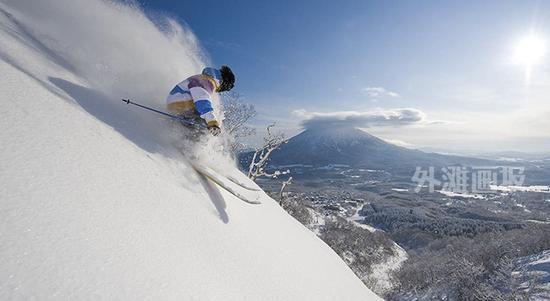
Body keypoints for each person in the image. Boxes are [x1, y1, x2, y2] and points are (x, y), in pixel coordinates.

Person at [166, 65, 235, 136]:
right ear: (225, 83)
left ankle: (181, 134)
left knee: (202, 122)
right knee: (203, 129)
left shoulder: (204, 78)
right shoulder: (207, 81)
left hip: (178, 104)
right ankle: (190, 142)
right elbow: (202, 100)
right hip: (181, 105)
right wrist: (212, 122)